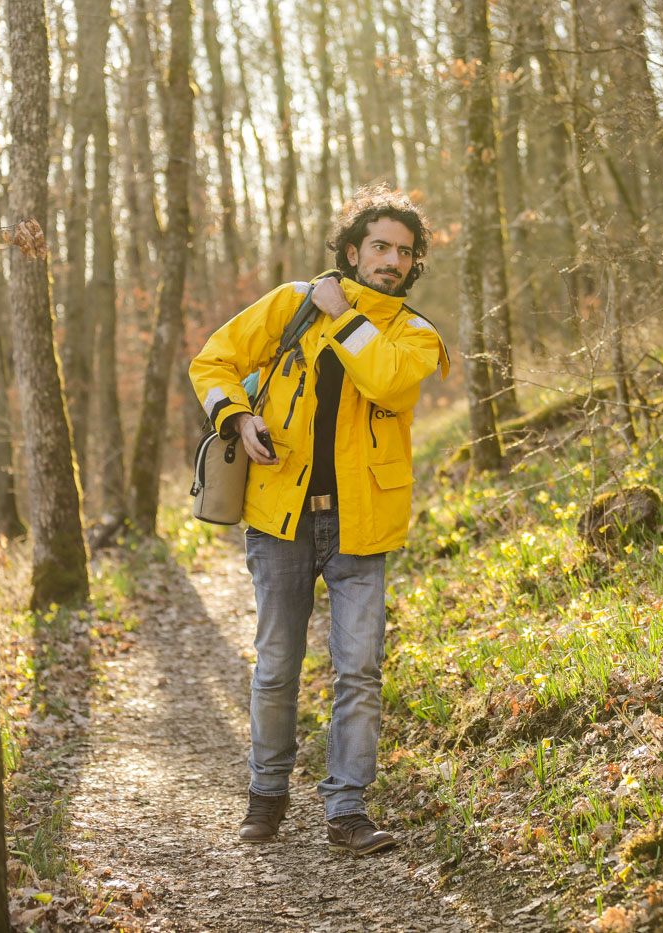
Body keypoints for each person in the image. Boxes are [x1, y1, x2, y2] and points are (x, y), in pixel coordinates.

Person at [188, 185, 449, 855]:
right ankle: (266, 796)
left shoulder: (413, 333)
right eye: (380, 246)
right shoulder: (291, 303)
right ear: (354, 249)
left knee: (358, 670)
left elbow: (388, 382)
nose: (391, 259)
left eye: (404, 252)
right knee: (277, 665)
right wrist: (235, 415)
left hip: (364, 523)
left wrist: (344, 316)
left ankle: (347, 809)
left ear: (414, 263)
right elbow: (211, 361)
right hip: (280, 517)